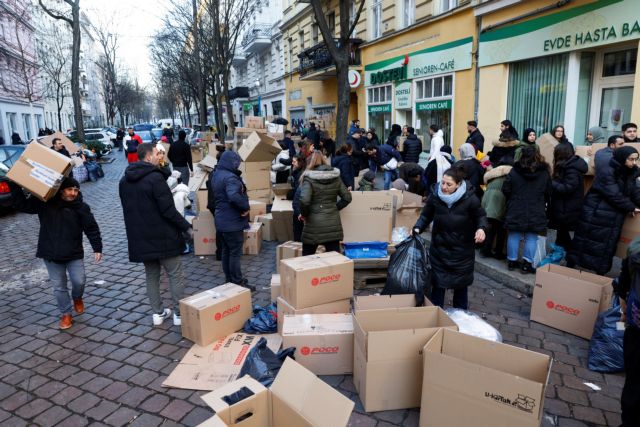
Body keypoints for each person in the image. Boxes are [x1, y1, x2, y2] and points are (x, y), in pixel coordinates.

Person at [10, 177, 102, 329]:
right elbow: (22, 205)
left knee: (79, 281)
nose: (73, 193)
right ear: (61, 191)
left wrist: (97, 247)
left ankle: (77, 297)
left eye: (76, 190)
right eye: (70, 189)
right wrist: (14, 184)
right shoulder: (45, 202)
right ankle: (66, 314)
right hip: (50, 253)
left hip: (74, 252)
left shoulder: (81, 207)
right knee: (59, 286)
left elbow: (91, 227)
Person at [119, 143, 192, 326]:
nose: (159, 156)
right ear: (148, 156)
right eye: (156, 154)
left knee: (151, 275)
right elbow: (168, 210)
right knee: (175, 273)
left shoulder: (124, 181)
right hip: (163, 235)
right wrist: (187, 227)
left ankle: (158, 313)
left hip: (140, 237)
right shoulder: (155, 179)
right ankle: (179, 314)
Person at [413, 167, 487, 309]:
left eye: (449, 184)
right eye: (443, 183)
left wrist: (481, 229)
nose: (444, 187)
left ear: (458, 184)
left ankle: (461, 319)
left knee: (461, 287)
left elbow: (481, 216)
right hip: (439, 250)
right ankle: (436, 315)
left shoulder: (470, 198)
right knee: (438, 287)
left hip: (462, 252)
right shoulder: (435, 195)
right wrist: (417, 227)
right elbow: (426, 215)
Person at [568, 146, 640, 275]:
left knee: (605, 246)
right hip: (595, 213)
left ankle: (599, 274)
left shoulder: (631, 172)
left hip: (613, 216)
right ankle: (570, 266)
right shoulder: (608, 171)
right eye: (631, 159)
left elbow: (635, 192)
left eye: (636, 160)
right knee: (584, 242)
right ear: (622, 158)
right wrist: (630, 206)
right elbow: (614, 195)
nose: (634, 163)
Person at [503, 145, 552, 274]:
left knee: (514, 235)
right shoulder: (544, 172)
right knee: (532, 237)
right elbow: (549, 191)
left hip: (516, 207)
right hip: (536, 207)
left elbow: (506, 189)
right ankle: (526, 264)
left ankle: (512, 262)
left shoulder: (514, 171)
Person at [212, 151, 253, 290]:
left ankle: (229, 279)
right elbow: (234, 196)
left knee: (226, 251)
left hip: (221, 219)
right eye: (237, 163)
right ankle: (237, 281)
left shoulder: (217, 173)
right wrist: (245, 207)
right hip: (231, 221)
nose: (238, 165)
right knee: (234, 253)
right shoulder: (230, 177)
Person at [299, 152, 351, 255]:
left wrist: (305, 214)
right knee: (334, 259)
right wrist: (334, 207)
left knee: (307, 259)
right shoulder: (335, 176)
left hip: (313, 224)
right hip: (332, 224)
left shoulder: (309, 178)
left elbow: (304, 200)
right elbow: (347, 197)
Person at [615, 238, 640, 426]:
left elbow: (623, 284)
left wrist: (624, 309)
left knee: (634, 382)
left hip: (637, 328)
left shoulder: (636, 246)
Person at [548, 142, 587, 251]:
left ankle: (570, 256)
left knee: (563, 231)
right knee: (561, 232)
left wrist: (551, 183)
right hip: (565, 206)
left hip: (567, 207)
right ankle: (561, 253)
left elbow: (567, 188)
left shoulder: (572, 169)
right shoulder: (568, 165)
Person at [480, 162, 512, 259]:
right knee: (501, 230)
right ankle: (498, 252)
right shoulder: (508, 177)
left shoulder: (492, 177)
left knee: (490, 229)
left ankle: (485, 250)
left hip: (487, 203)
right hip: (499, 204)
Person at [288, 154, 306, 242]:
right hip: (299, 206)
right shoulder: (297, 173)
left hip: (299, 207)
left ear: (300, 163)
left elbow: (298, 193)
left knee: (298, 231)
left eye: (294, 161)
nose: (292, 163)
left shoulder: (300, 175)